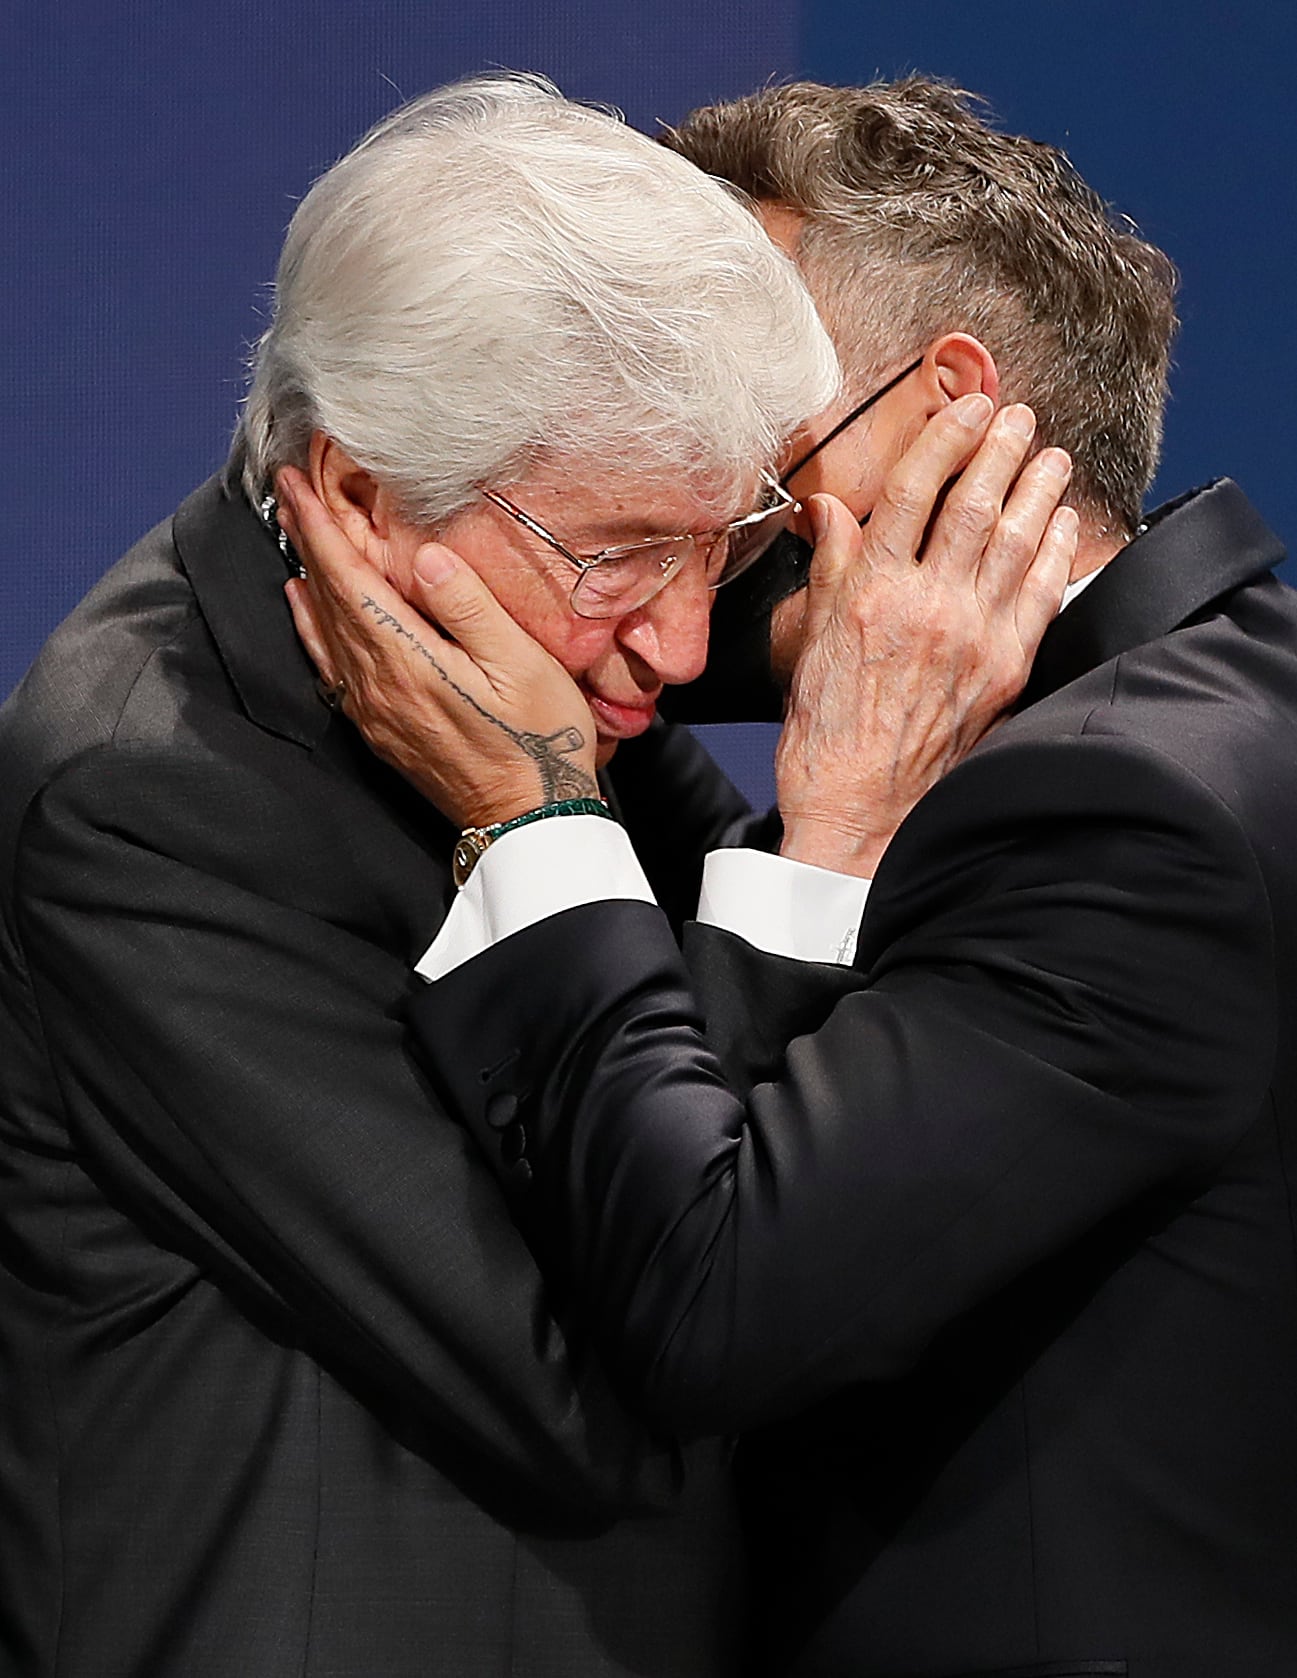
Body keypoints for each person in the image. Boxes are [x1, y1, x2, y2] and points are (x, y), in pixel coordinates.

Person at [281, 80, 1297, 1678]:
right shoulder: (1188, 711)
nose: (702, 482)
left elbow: (712, 1297)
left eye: (754, 431)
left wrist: (546, 805)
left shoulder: (1128, 812)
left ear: (946, 415)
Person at [0, 75, 851, 1678]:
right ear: (368, 494)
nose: (680, 641)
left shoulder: (535, 662)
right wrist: (556, 828)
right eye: (619, 553)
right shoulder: (147, 795)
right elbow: (610, 1382)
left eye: (722, 542)